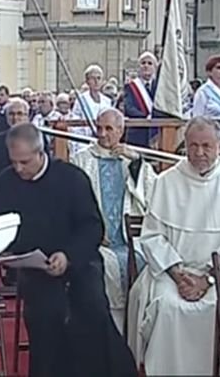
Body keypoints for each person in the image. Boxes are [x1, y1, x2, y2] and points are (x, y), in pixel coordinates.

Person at [0, 124, 137, 377]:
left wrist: (68, 256)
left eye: (25, 162)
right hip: (36, 271)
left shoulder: (72, 178)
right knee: (47, 316)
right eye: (14, 161)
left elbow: (92, 227)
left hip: (80, 265)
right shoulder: (7, 182)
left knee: (91, 311)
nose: (18, 168)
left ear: (42, 153)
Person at [126, 117, 220, 376]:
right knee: (167, 307)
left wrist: (207, 279)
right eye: (193, 145)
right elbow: (152, 238)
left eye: (206, 145)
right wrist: (177, 273)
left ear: (219, 144)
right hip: (172, 273)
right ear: (185, 145)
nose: (199, 152)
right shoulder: (166, 182)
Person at [71, 108, 157, 331]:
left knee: (148, 262)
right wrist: (93, 233)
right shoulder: (81, 160)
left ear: (121, 130)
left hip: (130, 240)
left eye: (108, 129)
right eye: (99, 128)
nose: (102, 134)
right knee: (102, 265)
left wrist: (137, 164)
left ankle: (135, 335)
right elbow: (72, 205)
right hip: (97, 242)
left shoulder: (131, 160)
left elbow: (152, 195)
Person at [192, 55, 220, 159]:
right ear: (209, 72)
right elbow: (197, 116)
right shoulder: (203, 92)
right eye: (218, 68)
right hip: (212, 135)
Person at [71, 64, 114, 154]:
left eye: (99, 78)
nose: (96, 81)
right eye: (92, 78)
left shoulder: (107, 101)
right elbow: (75, 125)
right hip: (85, 143)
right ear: (87, 81)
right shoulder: (81, 100)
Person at [0, 98, 29, 189]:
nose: (15, 118)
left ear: (27, 117)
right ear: (6, 117)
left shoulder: (38, 138)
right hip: (7, 187)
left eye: (19, 114)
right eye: (11, 114)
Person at [123, 52, 158, 148]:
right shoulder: (131, 86)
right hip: (137, 132)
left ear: (155, 68)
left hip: (156, 133)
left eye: (150, 63)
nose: (146, 66)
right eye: (143, 63)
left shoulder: (160, 87)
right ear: (139, 67)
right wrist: (146, 117)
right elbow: (128, 108)